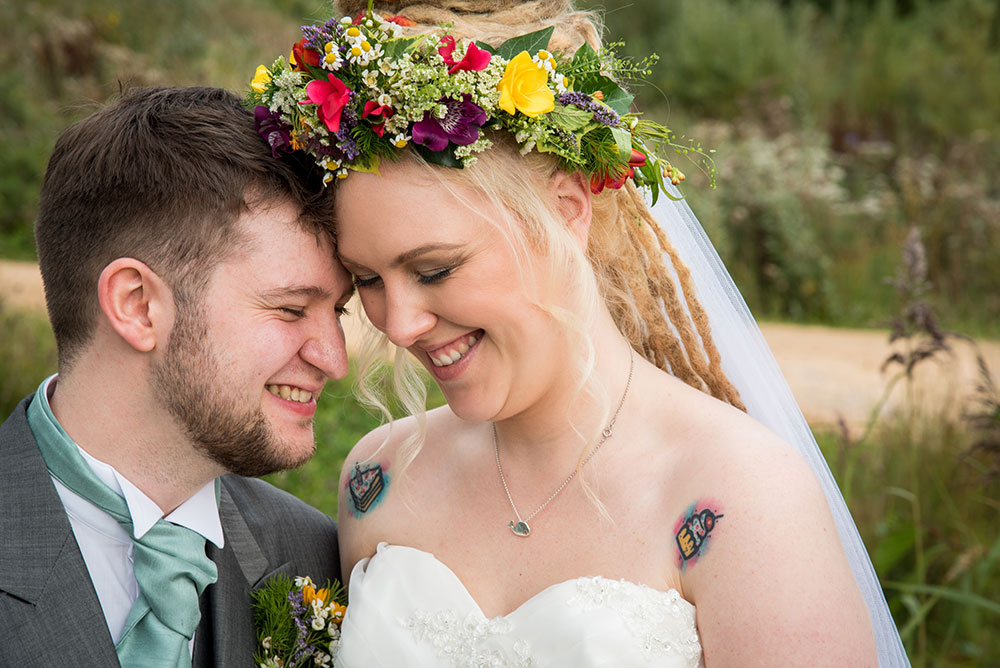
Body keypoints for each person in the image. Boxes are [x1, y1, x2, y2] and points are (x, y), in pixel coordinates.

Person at [249, 1, 910, 665]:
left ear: (566, 212)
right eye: (367, 280)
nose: (400, 322)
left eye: (436, 268)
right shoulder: (379, 476)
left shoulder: (743, 497)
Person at [0, 86, 354, 668]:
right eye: (291, 308)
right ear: (137, 304)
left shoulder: (315, 555)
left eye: (336, 312)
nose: (334, 359)